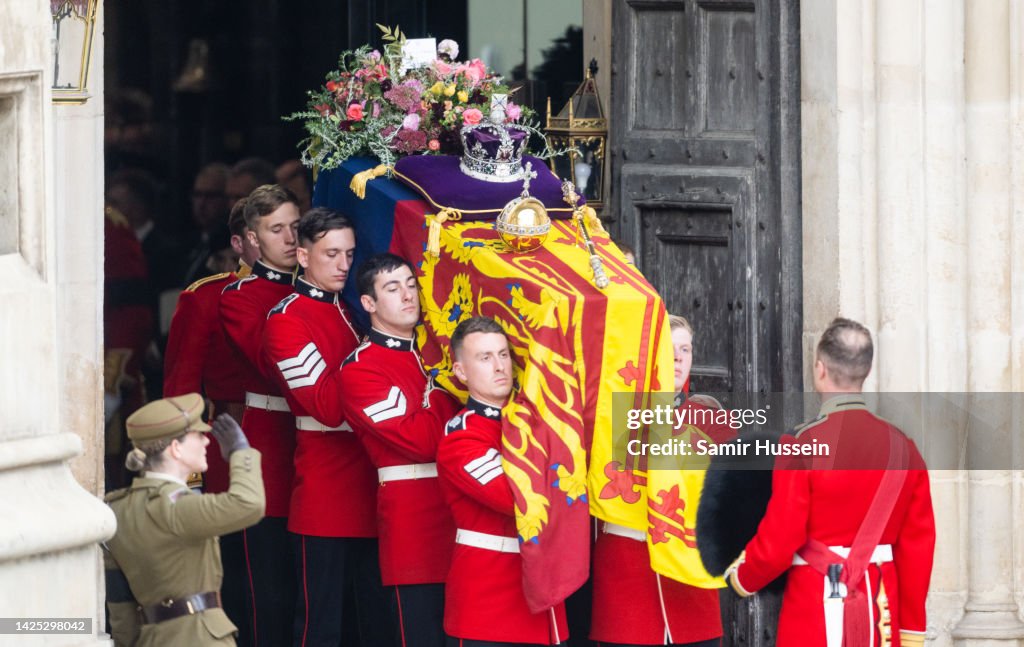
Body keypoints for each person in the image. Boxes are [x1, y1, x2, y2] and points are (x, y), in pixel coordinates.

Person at [725, 318, 936, 647]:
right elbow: (917, 551)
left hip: (814, 605)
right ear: (865, 371)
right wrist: (910, 630)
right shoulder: (904, 448)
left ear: (820, 370)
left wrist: (741, 577)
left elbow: (781, 541)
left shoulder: (802, 443)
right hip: (881, 609)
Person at [261, 208, 389, 645]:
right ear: (302, 254)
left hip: (370, 488)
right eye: (331, 253)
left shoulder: (351, 315)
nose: (343, 265)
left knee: (368, 627)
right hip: (326, 496)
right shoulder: (286, 320)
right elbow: (327, 406)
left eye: (349, 254)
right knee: (322, 630)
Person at [340, 253, 462, 647]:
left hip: (464, 520)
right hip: (415, 529)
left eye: (411, 285)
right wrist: (446, 387)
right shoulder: (361, 368)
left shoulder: (437, 350)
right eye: (393, 289)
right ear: (369, 304)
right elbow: (422, 440)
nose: (408, 295)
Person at [590, 314, 730, 646]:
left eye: (686, 349)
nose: (679, 358)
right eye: (670, 349)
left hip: (691, 580)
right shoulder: (613, 415)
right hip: (629, 577)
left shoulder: (711, 421)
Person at [437, 316, 570, 646]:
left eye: (503, 355)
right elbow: (518, 500)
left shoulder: (540, 424)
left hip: (547, 600)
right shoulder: (461, 437)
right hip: (491, 606)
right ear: (462, 372)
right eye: (484, 358)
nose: (499, 366)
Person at [163, 198, 259, 644]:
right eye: (271, 230)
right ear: (241, 242)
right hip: (224, 447)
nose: (287, 239)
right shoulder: (206, 296)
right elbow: (181, 394)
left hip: (298, 447)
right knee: (235, 574)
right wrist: (186, 474)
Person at [103, 393, 265, 647]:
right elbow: (249, 504)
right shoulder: (178, 506)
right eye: (198, 435)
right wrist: (240, 452)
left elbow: (119, 603)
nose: (206, 441)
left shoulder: (116, 508)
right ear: (175, 448)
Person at [219, 184, 301, 646]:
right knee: (266, 593)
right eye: (276, 230)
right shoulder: (240, 296)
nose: (290, 238)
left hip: (321, 447)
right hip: (270, 444)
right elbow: (272, 367)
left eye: (295, 226)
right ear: (252, 240)